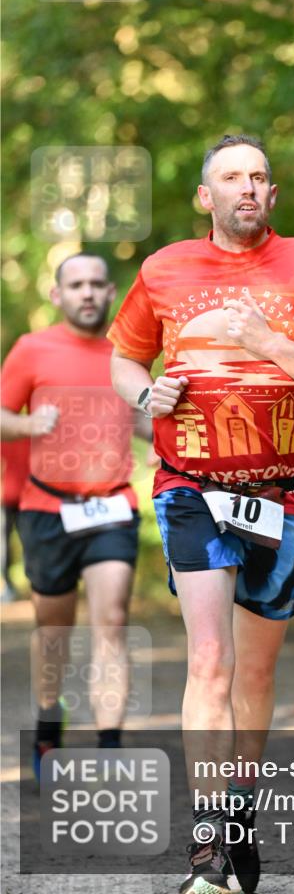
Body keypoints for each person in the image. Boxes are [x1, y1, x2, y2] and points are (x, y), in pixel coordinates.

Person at [108, 134, 294, 894]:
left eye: (259, 176)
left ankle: (240, 812)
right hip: (189, 487)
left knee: (253, 674)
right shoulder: (163, 270)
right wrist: (140, 395)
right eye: (231, 177)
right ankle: (207, 852)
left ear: (272, 194)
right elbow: (126, 357)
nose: (247, 187)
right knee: (210, 663)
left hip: (282, 493)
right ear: (206, 196)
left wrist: (264, 339)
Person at [1, 253, 151, 778]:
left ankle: (110, 747)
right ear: (57, 295)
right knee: (54, 630)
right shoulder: (31, 350)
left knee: (111, 620)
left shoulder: (128, 352)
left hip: (112, 506)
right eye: (76, 284)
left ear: (112, 292)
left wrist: (172, 441)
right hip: (47, 509)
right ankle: (48, 729)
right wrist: (29, 425)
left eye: (96, 284)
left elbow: (139, 416)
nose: (87, 293)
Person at [1, 437, 30, 601]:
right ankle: (9, 586)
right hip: (8, 498)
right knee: (4, 545)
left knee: (30, 543)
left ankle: (35, 583)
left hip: (27, 498)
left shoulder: (29, 435)